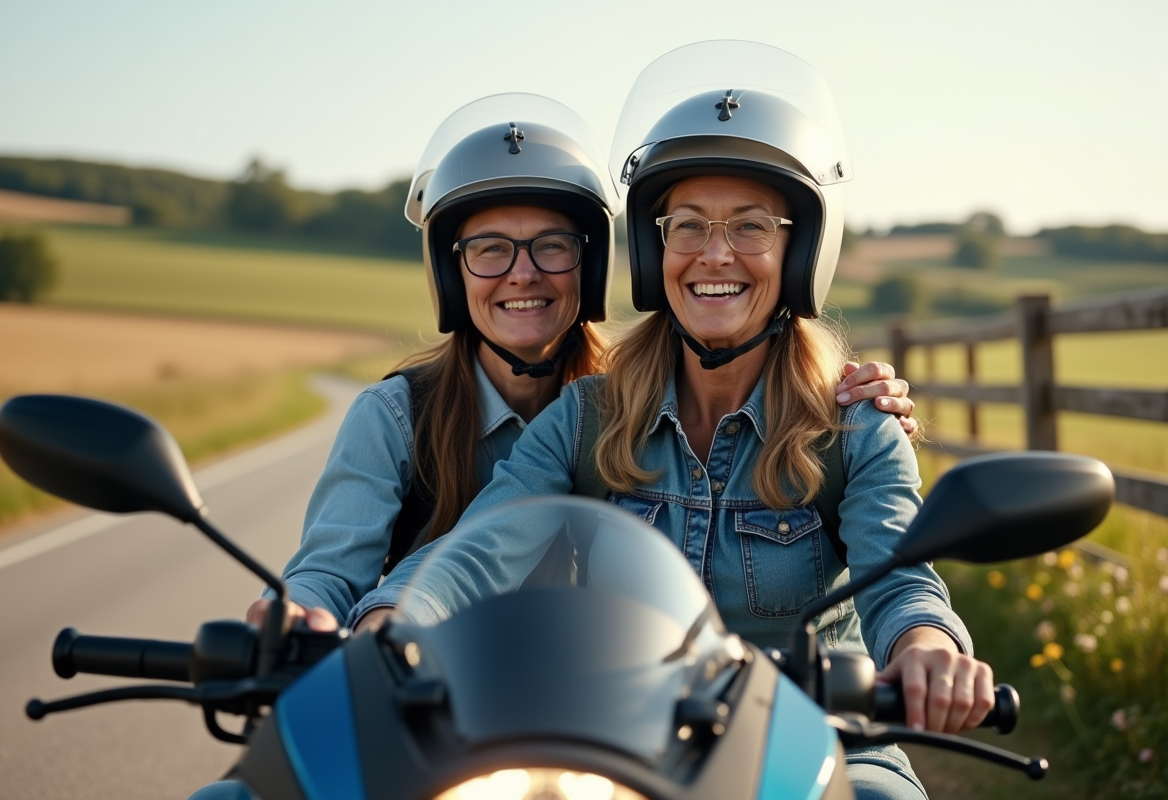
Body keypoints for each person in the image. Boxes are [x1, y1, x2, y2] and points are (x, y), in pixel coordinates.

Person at [350, 43, 992, 800]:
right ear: (657, 250)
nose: (714, 254)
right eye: (687, 225)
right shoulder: (590, 414)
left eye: (750, 225)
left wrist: (926, 647)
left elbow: (899, 574)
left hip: (818, 743)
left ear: (798, 251)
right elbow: (486, 543)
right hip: (628, 749)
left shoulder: (852, 424)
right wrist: (393, 618)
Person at [245, 92, 916, 634]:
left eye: (552, 247)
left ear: (591, 265)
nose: (522, 275)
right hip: (454, 695)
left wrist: (925, 642)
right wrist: (354, 616)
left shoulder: (616, 402)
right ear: (452, 275)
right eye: (489, 250)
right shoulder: (556, 417)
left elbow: (900, 572)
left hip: (702, 721)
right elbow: (462, 548)